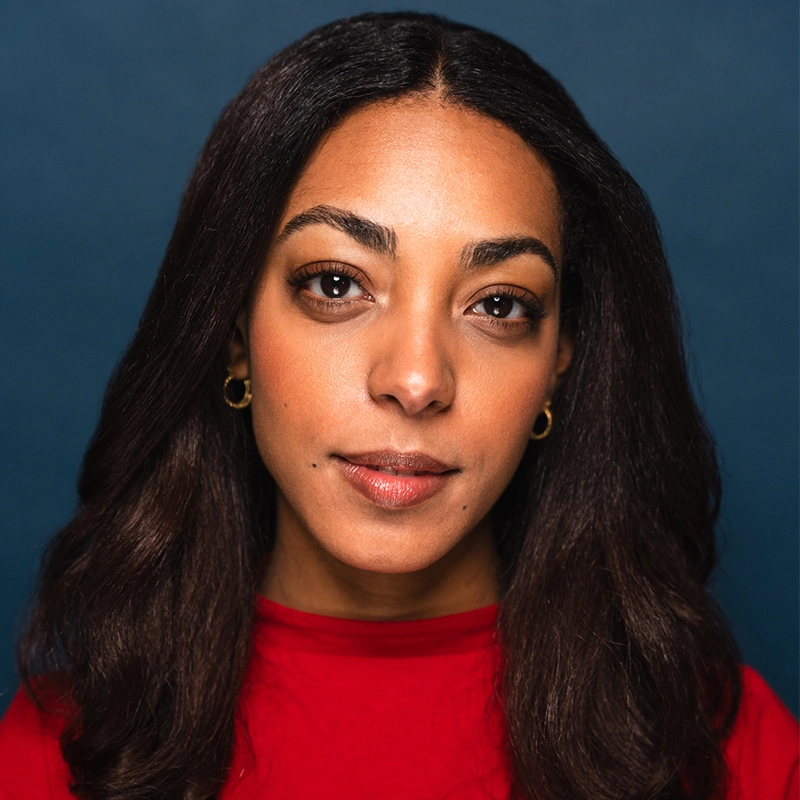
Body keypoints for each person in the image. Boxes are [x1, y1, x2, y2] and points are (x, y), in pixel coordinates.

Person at [0, 12, 796, 800]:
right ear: (233, 330)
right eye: (337, 285)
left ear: (560, 364)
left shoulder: (726, 749)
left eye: (499, 304)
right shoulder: (63, 752)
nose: (416, 382)